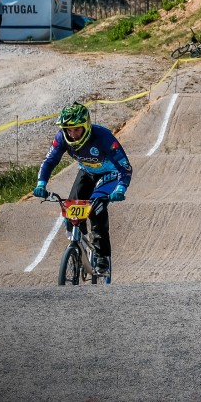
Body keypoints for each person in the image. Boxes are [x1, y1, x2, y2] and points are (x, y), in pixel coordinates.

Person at [32, 102, 132, 275]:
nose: (72, 134)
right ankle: (78, 247)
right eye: (68, 130)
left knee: (96, 207)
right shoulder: (62, 137)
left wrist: (121, 188)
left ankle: (102, 257)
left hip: (110, 173)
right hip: (86, 171)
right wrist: (41, 183)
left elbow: (125, 166)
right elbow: (49, 161)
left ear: (86, 125)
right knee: (71, 210)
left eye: (76, 129)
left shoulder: (103, 136)